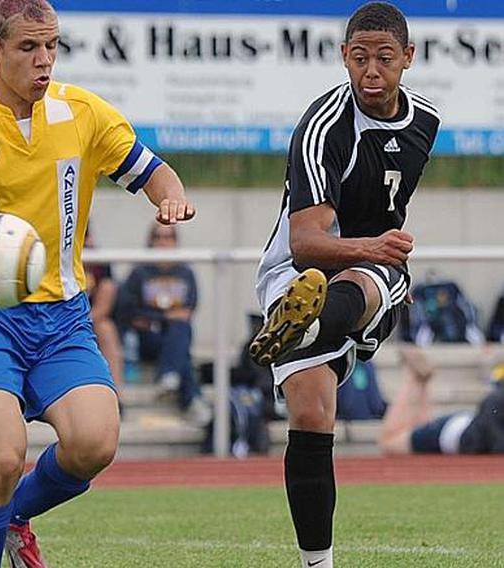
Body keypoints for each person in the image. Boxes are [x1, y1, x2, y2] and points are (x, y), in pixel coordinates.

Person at [0, 1, 196, 565]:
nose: (44, 60)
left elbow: (153, 171)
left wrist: (170, 195)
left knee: (95, 443)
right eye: (28, 47)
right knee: (2, 458)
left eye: (51, 46)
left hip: (64, 317)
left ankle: (10, 515)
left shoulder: (84, 113)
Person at [249, 3, 440, 567]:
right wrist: (373, 245)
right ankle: (319, 565)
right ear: (343, 58)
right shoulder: (322, 126)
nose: (371, 71)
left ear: (408, 57)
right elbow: (307, 241)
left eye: (384, 58)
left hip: (365, 269)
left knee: (374, 279)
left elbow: (384, 204)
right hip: (299, 271)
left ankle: (303, 330)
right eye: (359, 59)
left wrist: (376, 248)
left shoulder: (425, 121)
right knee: (311, 415)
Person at [117, 224, 206, 422]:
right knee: (181, 343)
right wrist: (165, 317)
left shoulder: (185, 273)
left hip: (173, 334)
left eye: (168, 237)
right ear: (151, 240)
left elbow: (188, 310)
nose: (163, 242)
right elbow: (130, 311)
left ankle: (170, 377)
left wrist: (160, 317)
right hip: (147, 337)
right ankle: (190, 396)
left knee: (182, 329)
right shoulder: (139, 272)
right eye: (158, 237)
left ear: (176, 241)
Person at [380, 348, 504, 455]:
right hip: (453, 433)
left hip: (463, 426)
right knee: (389, 442)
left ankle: (422, 382)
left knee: (418, 428)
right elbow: (492, 405)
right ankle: (411, 378)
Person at [84, 225, 124, 391]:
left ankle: (116, 391)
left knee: (106, 329)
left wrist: (79, 321)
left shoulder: (98, 261)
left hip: (84, 318)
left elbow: (104, 303)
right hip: (49, 315)